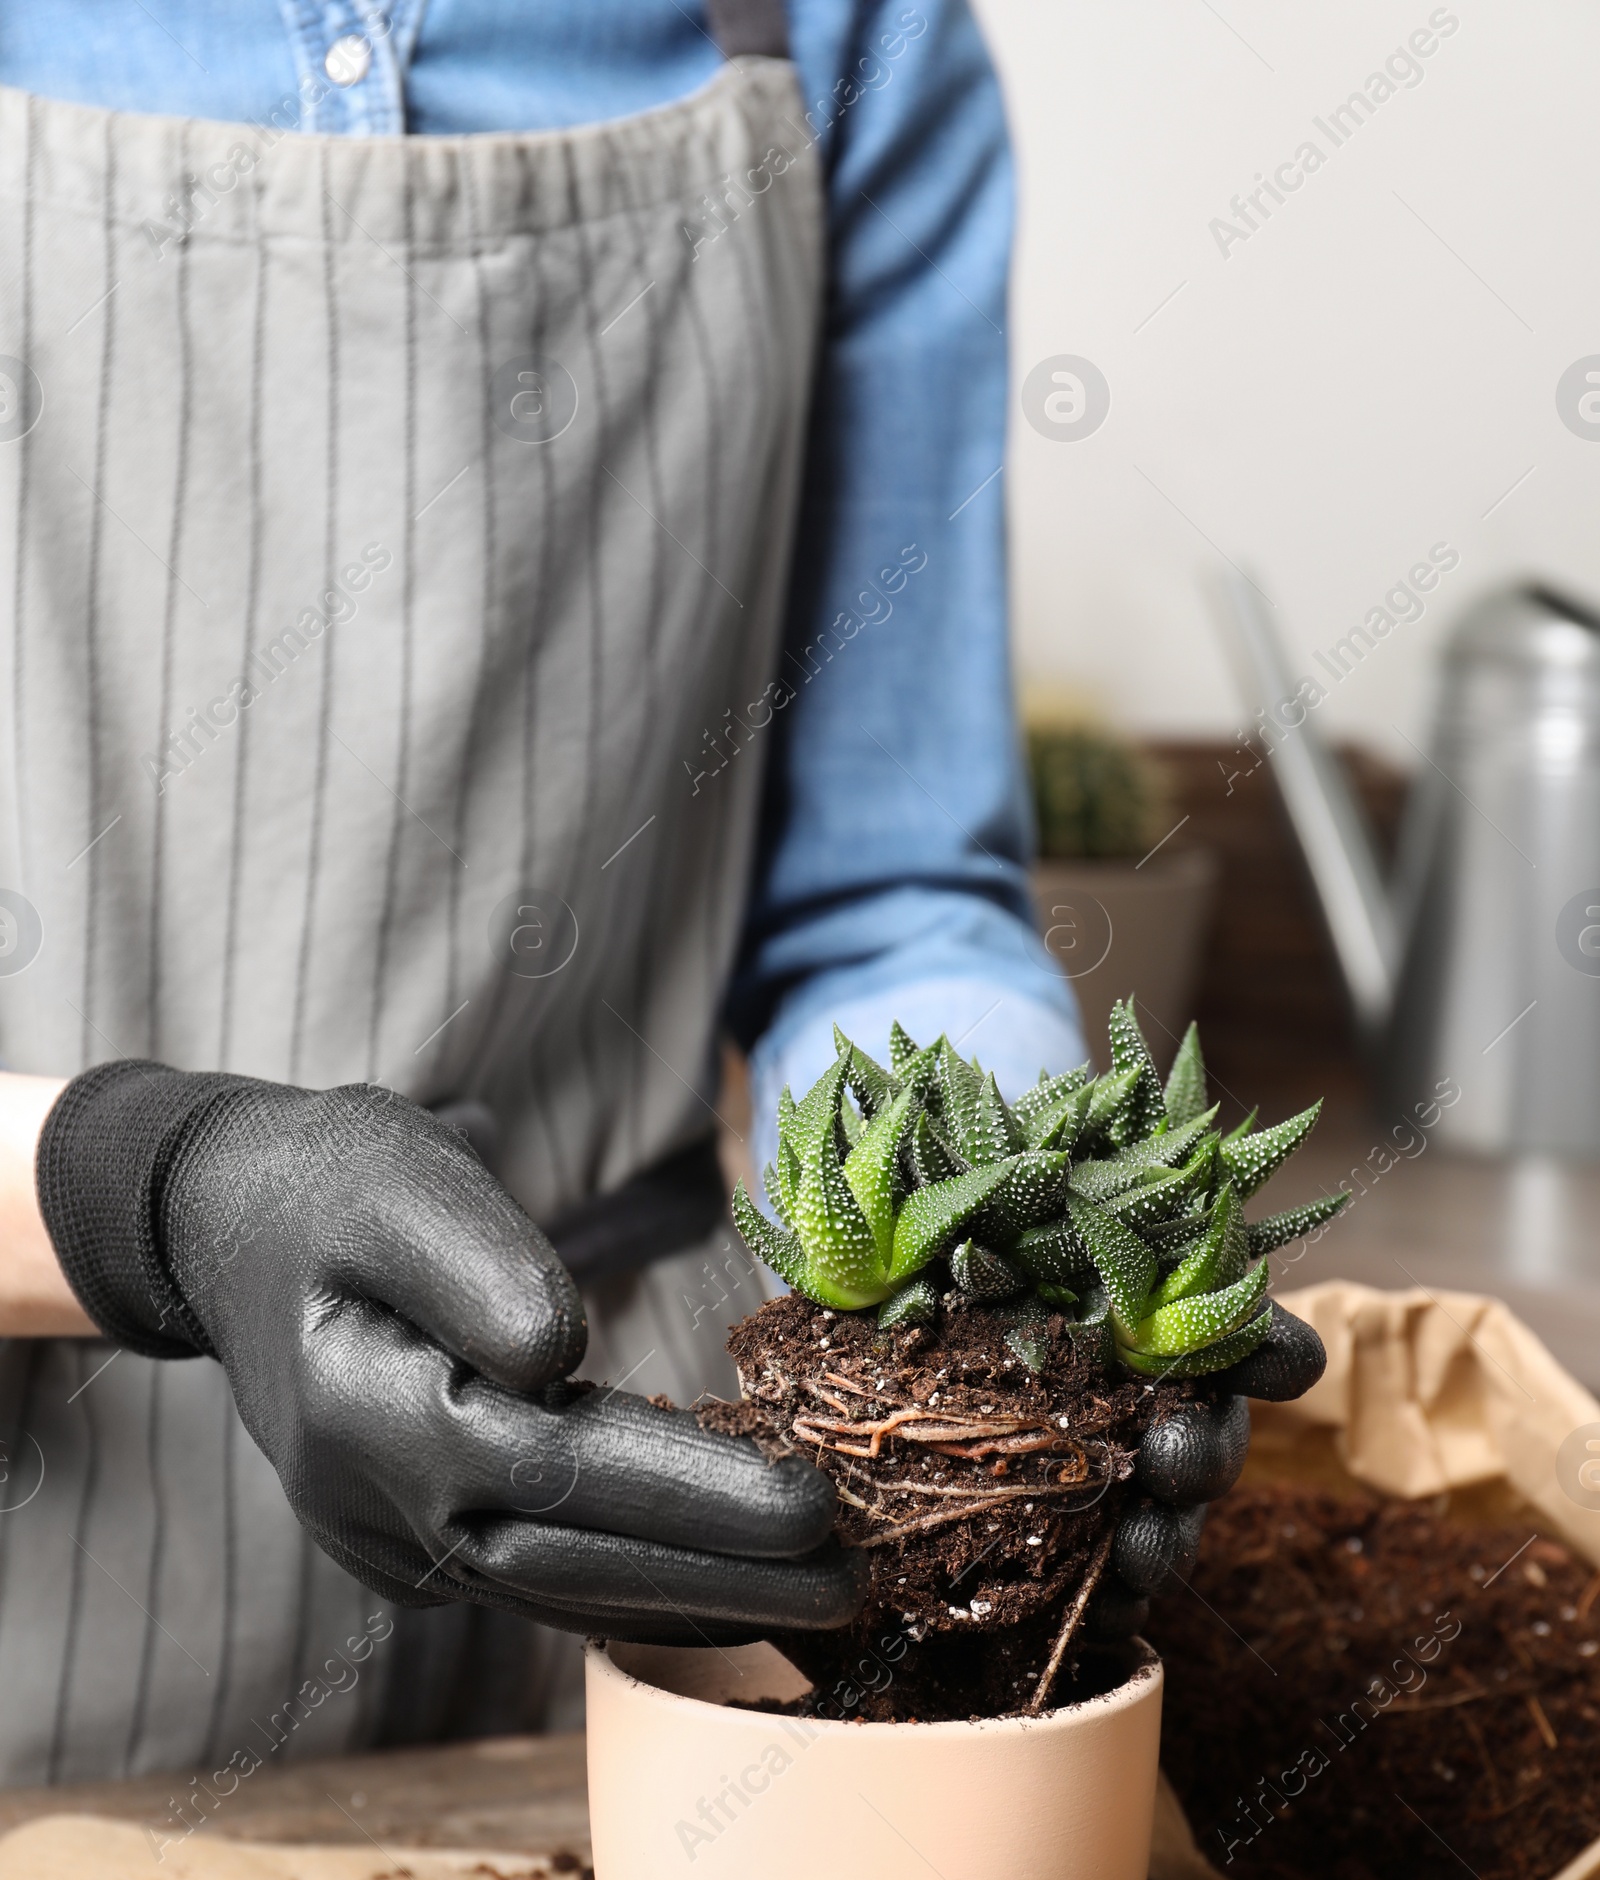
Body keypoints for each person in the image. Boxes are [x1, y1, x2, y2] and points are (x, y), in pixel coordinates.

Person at [0, 0, 1088, 1788]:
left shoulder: (844, 34)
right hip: (55, 1552)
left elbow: (885, 899)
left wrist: (1014, 1275)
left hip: (635, 1573)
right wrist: (148, 1192)